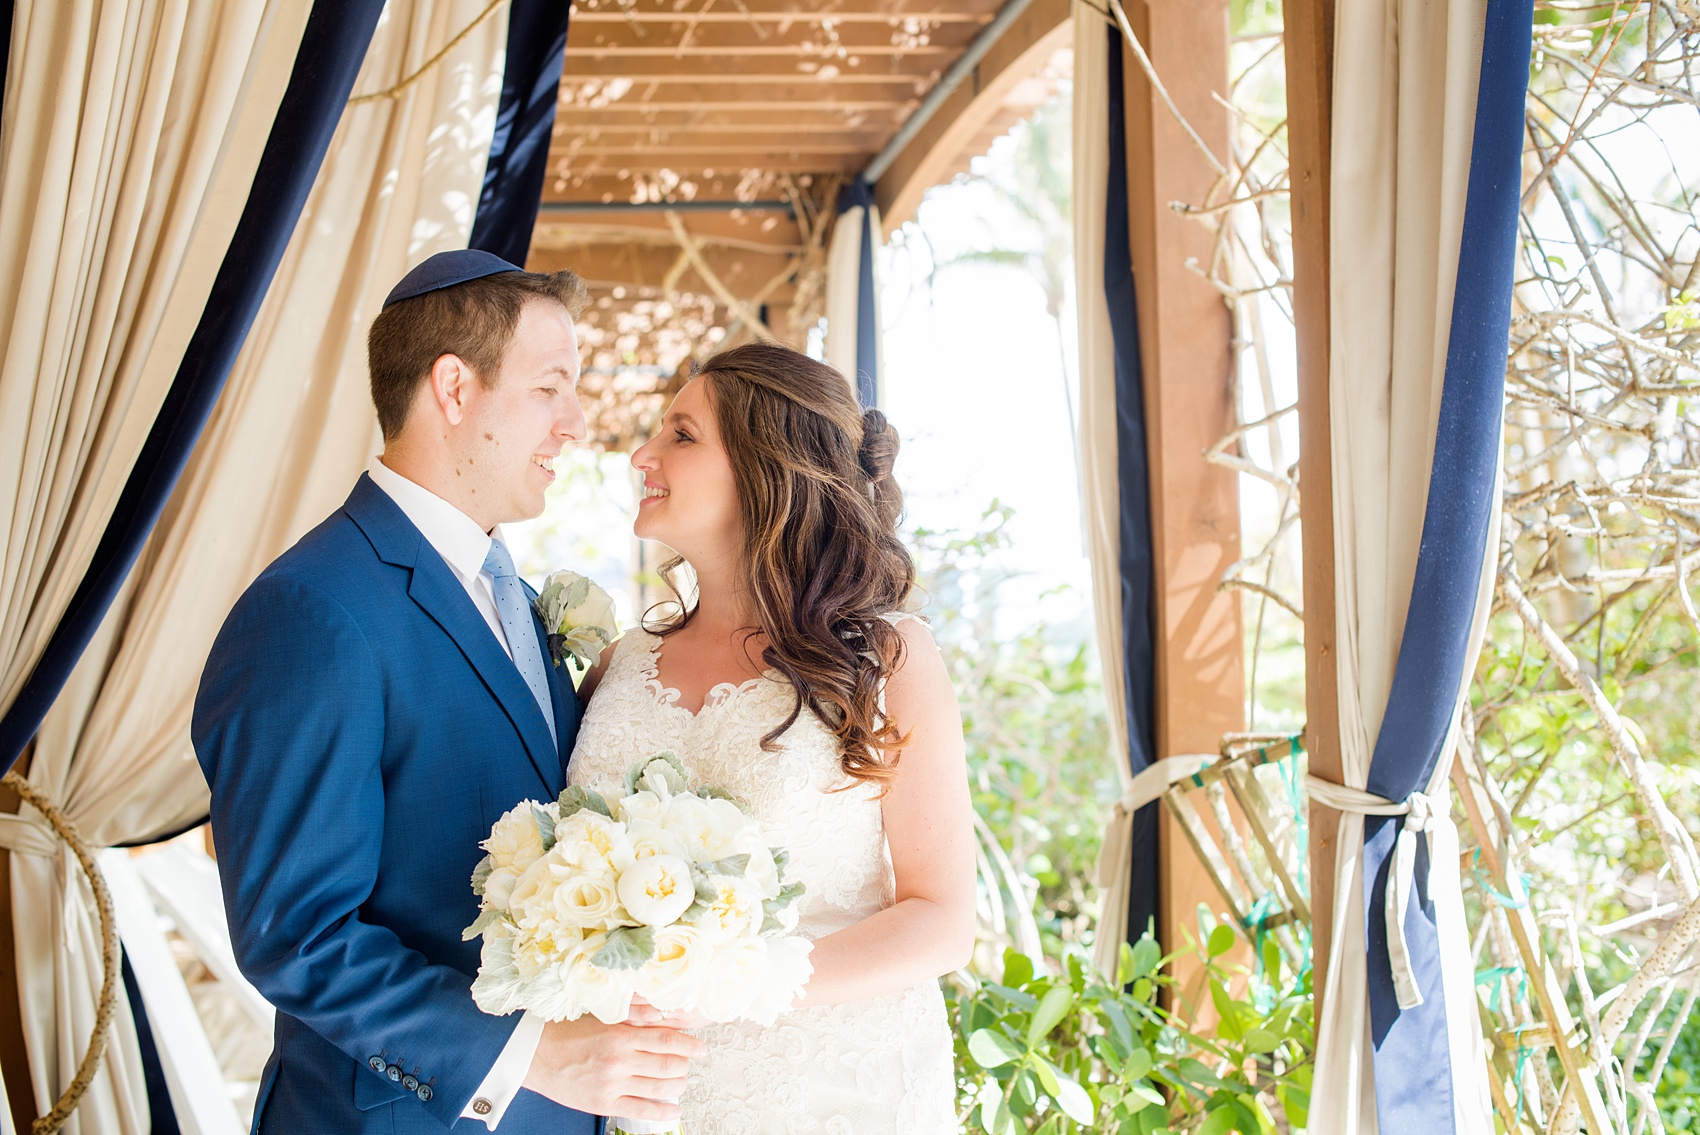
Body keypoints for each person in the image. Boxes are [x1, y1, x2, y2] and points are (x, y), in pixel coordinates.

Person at [193, 250, 703, 1133]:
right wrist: (536, 1055)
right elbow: (298, 934)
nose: (577, 423)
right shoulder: (310, 610)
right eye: (552, 388)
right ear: (455, 388)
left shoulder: (512, 588)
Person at [569, 342, 977, 1132]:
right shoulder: (620, 666)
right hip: (654, 1102)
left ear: (768, 469)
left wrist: (730, 978)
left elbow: (942, 919)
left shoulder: (886, 659)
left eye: (681, 435)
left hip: (838, 1095)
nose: (641, 455)